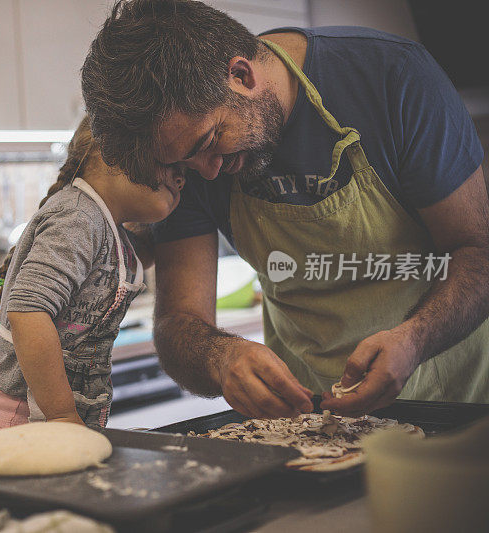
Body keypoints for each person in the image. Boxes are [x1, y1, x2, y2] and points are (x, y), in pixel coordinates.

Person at [81, 0, 489, 418]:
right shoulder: (186, 155)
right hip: (305, 418)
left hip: (449, 403)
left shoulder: (393, 76)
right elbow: (178, 324)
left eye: (209, 143)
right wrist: (219, 357)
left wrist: (414, 340)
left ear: (241, 75)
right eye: (184, 164)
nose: (206, 173)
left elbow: (476, 253)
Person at [0, 117, 184, 444]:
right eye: (170, 161)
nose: (181, 177)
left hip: (42, 425)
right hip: (17, 427)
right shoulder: (78, 218)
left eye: (186, 173)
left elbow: (137, 257)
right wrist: (62, 416)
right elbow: (28, 311)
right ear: (112, 150)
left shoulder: (106, 226)